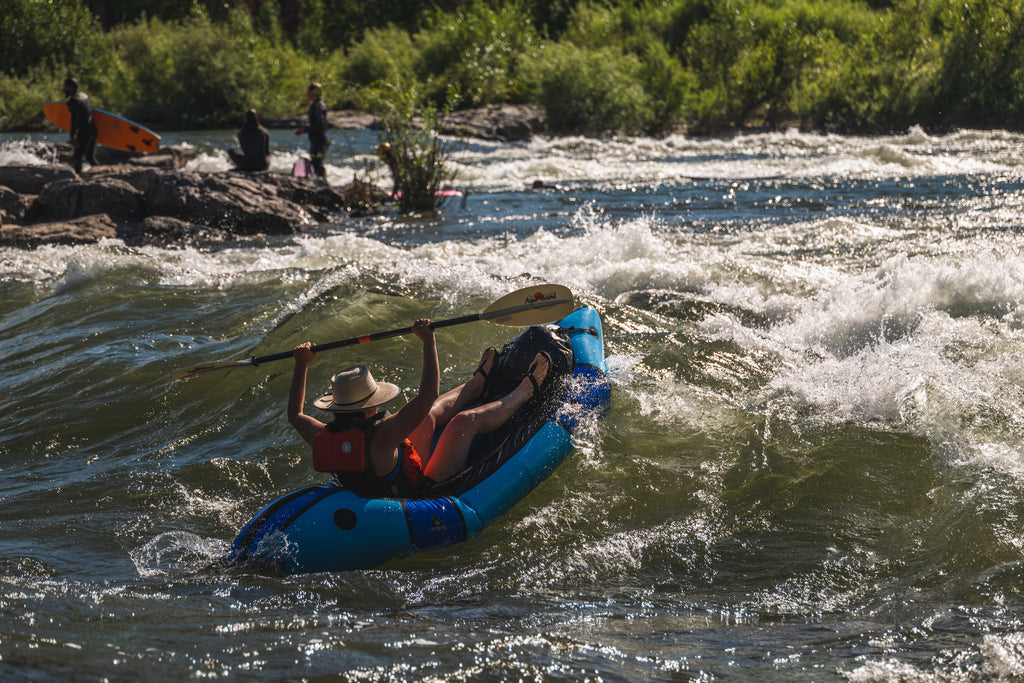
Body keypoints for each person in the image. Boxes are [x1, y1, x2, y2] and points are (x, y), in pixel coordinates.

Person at [288, 319, 550, 495]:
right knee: (464, 422)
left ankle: (474, 387)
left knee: (426, 419)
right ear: (370, 405)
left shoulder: (321, 437)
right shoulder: (383, 435)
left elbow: (295, 415)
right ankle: (522, 392)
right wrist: (428, 342)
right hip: (419, 493)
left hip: (389, 485)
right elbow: (426, 396)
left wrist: (301, 364)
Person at [63, 77, 98, 174]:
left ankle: (78, 179)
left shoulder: (73, 101)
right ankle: (101, 173)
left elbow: (74, 120)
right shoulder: (84, 95)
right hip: (93, 130)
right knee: (90, 157)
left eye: (65, 86)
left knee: (77, 157)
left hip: (84, 132)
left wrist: (72, 137)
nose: (63, 89)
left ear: (71, 87)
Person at [294, 82, 329, 178]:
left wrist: (304, 130)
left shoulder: (318, 105)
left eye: (308, 92)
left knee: (317, 164)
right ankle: (321, 183)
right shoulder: (317, 104)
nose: (307, 94)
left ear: (312, 92)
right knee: (316, 163)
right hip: (317, 140)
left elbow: (319, 124)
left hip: (319, 140)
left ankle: (323, 185)